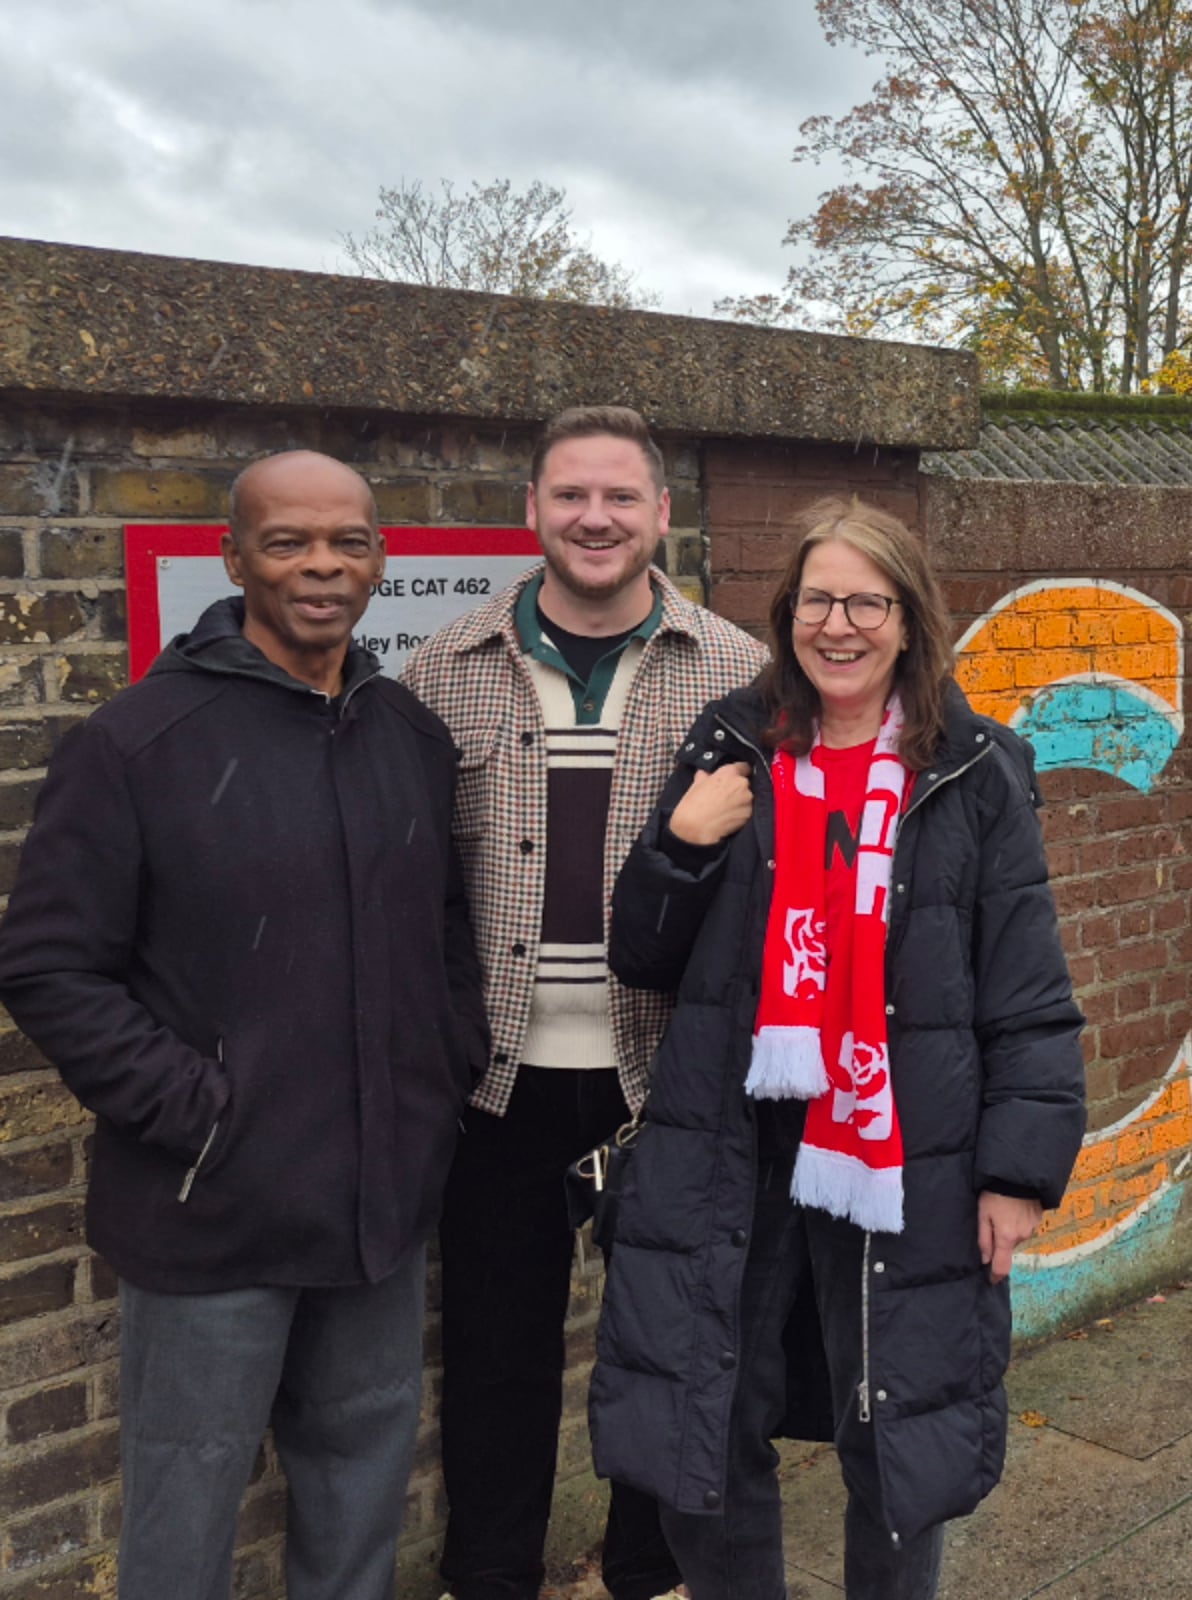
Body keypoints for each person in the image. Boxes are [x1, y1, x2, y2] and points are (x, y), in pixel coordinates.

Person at [0, 452, 486, 1599]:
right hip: (209, 1213)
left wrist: (436, 1073)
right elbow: (48, 962)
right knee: (185, 1507)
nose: (322, 564)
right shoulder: (137, 744)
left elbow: (448, 939)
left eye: (347, 541)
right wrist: (199, 1112)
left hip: (376, 1210)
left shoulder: (409, 738)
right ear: (233, 557)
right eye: (288, 541)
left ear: (379, 557)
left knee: (361, 1488)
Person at [592, 496, 1085, 1599]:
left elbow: (1028, 990)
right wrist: (679, 843)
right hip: (738, 1147)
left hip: (904, 1151)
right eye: (819, 599)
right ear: (787, 615)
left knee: (897, 1426)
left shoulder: (975, 769)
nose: (841, 624)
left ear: (910, 621)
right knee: (708, 1422)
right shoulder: (732, 747)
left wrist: (1017, 1170)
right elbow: (642, 954)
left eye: (869, 601)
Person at [401, 407, 768, 1600]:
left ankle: (648, 1569)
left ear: (662, 514)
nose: (595, 518)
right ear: (534, 512)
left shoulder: (736, 673)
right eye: (571, 497)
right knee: (496, 1355)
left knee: (664, 1338)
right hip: (497, 1074)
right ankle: (490, 1574)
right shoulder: (442, 669)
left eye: (621, 497)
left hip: (661, 1076)